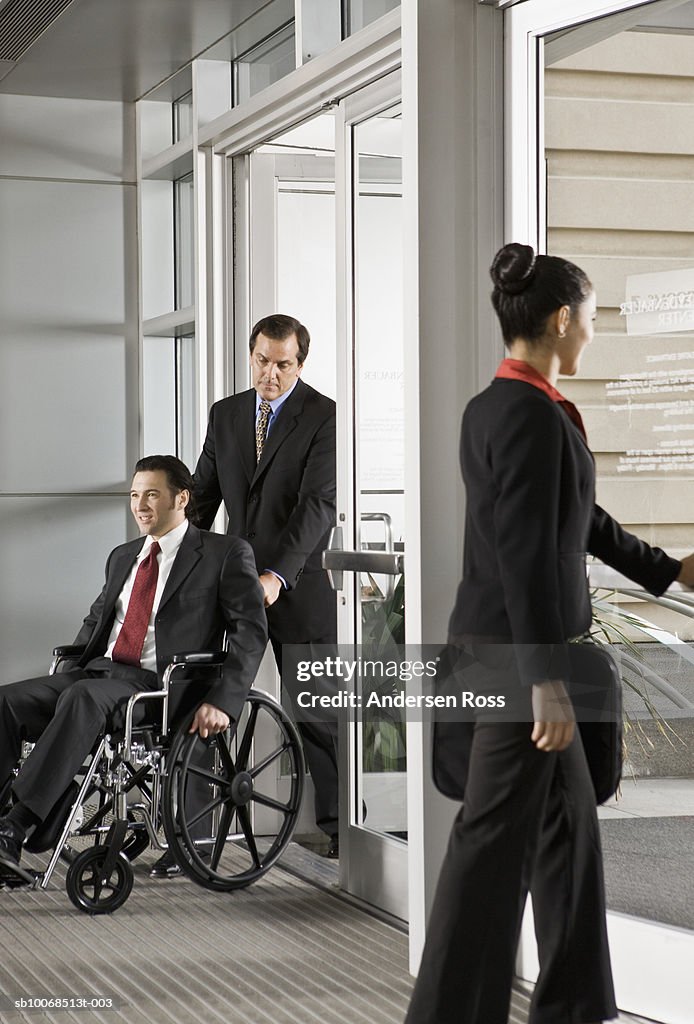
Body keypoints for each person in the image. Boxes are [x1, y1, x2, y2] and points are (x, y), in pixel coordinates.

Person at [404, 243, 694, 1024]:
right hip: (513, 668)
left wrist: (669, 571)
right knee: (489, 849)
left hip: (507, 657)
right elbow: (526, 552)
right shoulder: (529, 415)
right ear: (563, 319)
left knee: (568, 845)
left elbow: (576, 520)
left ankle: (571, 1006)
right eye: (593, 318)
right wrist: (543, 677)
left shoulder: (501, 406)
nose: (594, 332)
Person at [0, 455, 267, 881]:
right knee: (8, 701)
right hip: (99, 673)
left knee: (81, 698)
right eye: (134, 495)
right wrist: (66, 670)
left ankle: (16, 825)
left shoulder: (224, 554)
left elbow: (250, 633)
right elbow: (96, 623)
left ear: (181, 497)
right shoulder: (123, 556)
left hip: (157, 686)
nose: (140, 504)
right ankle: (5, 821)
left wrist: (224, 700)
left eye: (152, 495)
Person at [191, 313, 339, 857]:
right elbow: (203, 496)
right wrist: (175, 560)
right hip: (233, 584)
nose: (269, 373)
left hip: (298, 587)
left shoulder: (322, 415)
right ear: (249, 354)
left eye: (282, 364)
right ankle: (195, 829)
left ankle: (341, 832)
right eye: (261, 360)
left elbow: (317, 505)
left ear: (300, 363)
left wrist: (277, 574)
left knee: (317, 709)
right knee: (209, 697)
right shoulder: (227, 414)